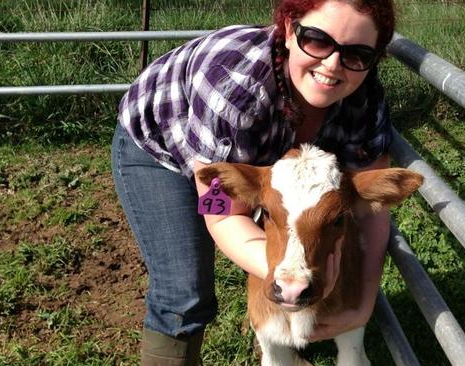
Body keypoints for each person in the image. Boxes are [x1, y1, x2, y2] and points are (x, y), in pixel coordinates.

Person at [111, 0, 395, 364]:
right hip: (160, 148)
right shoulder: (235, 90)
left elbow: (372, 215)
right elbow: (221, 211)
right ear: (290, 31)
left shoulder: (366, 101)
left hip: (257, 157)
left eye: (356, 53)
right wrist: (290, 275)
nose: (332, 64)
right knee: (184, 290)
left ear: (374, 58)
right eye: (318, 40)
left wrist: (362, 307)